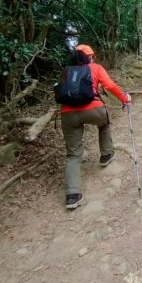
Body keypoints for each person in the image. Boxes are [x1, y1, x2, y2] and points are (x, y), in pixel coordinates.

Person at [58, 45, 131, 210]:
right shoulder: (96, 68)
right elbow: (110, 86)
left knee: (73, 154)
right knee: (104, 124)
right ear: (90, 57)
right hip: (94, 110)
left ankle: (72, 195)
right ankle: (106, 154)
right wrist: (124, 99)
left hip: (67, 114)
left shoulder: (66, 71)